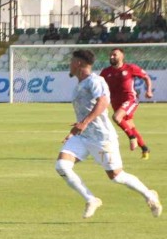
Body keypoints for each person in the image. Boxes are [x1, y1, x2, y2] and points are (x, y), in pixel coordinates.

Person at [55, 49, 161, 219]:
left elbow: (103, 102)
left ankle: (149, 195)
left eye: (71, 61)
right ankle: (91, 199)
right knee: (62, 166)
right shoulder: (79, 85)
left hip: (102, 137)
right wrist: (77, 128)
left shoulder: (95, 81)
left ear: (78, 63)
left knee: (116, 176)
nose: (70, 64)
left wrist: (84, 122)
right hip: (83, 136)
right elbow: (85, 113)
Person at [100, 48, 153, 159]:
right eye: (111, 55)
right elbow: (99, 85)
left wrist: (148, 90)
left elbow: (146, 77)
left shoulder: (130, 68)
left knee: (116, 117)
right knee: (130, 126)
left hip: (130, 99)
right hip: (115, 101)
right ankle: (144, 148)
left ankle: (132, 138)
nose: (111, 57)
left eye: (114, 55)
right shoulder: (106, 72)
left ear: (122, 56)